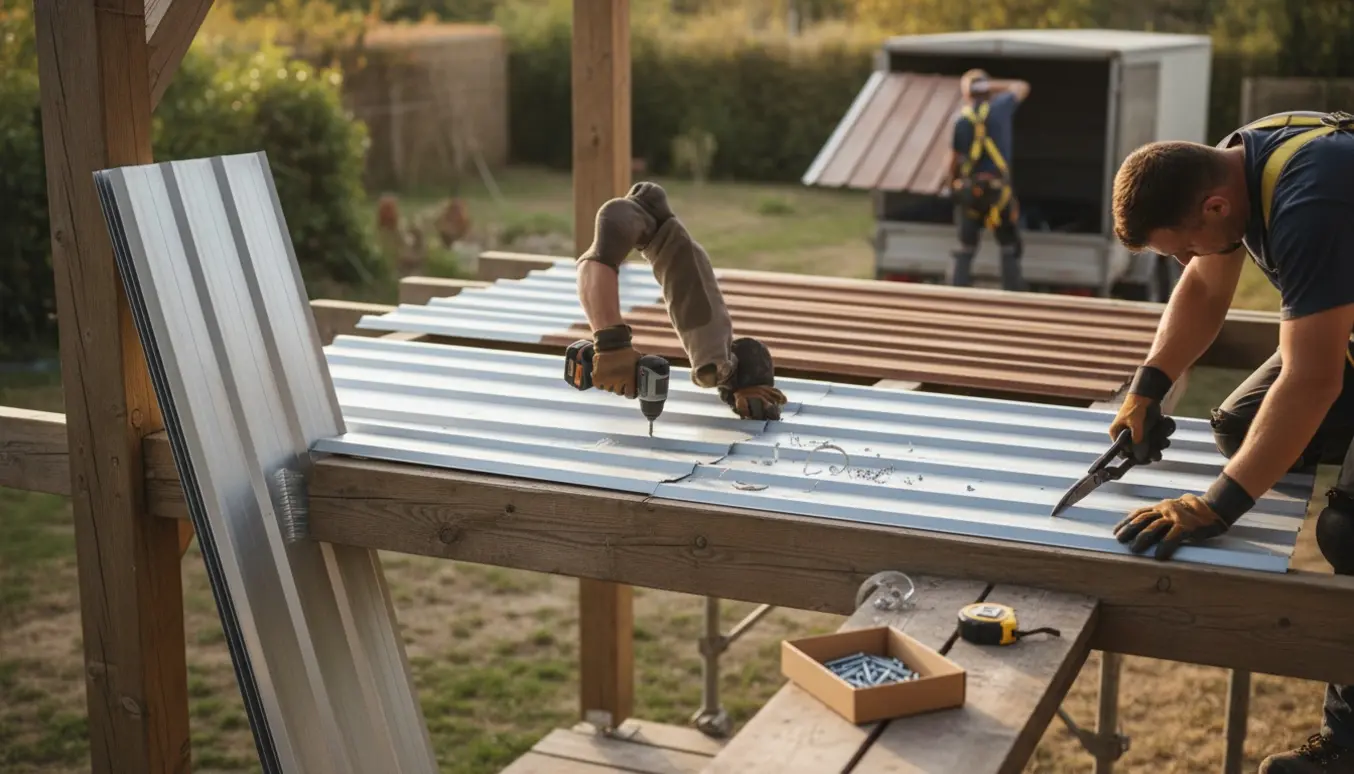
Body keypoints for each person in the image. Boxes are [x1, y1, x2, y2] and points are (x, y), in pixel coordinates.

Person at [1107, 110, 1354, 773]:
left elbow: (1311, 380)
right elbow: (1203, 284)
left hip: (1334, 359)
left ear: (1215, 206)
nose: (1187, 260)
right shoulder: (1233, 166)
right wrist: (1148, 386)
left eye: (1183, 245)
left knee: (1349, 531)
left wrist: (1217, 505)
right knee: (1244, 429)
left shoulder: (1312, 197)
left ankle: (1348, 747)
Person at [573, 181, 788, 421]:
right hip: (649, 227)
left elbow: (598, 261)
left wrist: (611, 345)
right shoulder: (620, 219)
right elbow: (596, 261)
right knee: (667, 247)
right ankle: (656, 224)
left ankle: (726, 369)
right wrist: (610, 344)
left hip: (650, 228)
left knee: (711, 364)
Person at [947, 68, 1031, 291]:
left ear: (967, 94)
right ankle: (1014, 296)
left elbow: (954, 160)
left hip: (970, 191)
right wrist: (992, 85)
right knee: (1008, 245)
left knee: (966, 245)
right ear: (987, 90)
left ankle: (956, 294)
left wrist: (952, 185)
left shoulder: (961, 121)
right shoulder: (1001, 108)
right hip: (997, 191)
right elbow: (1022, 86)